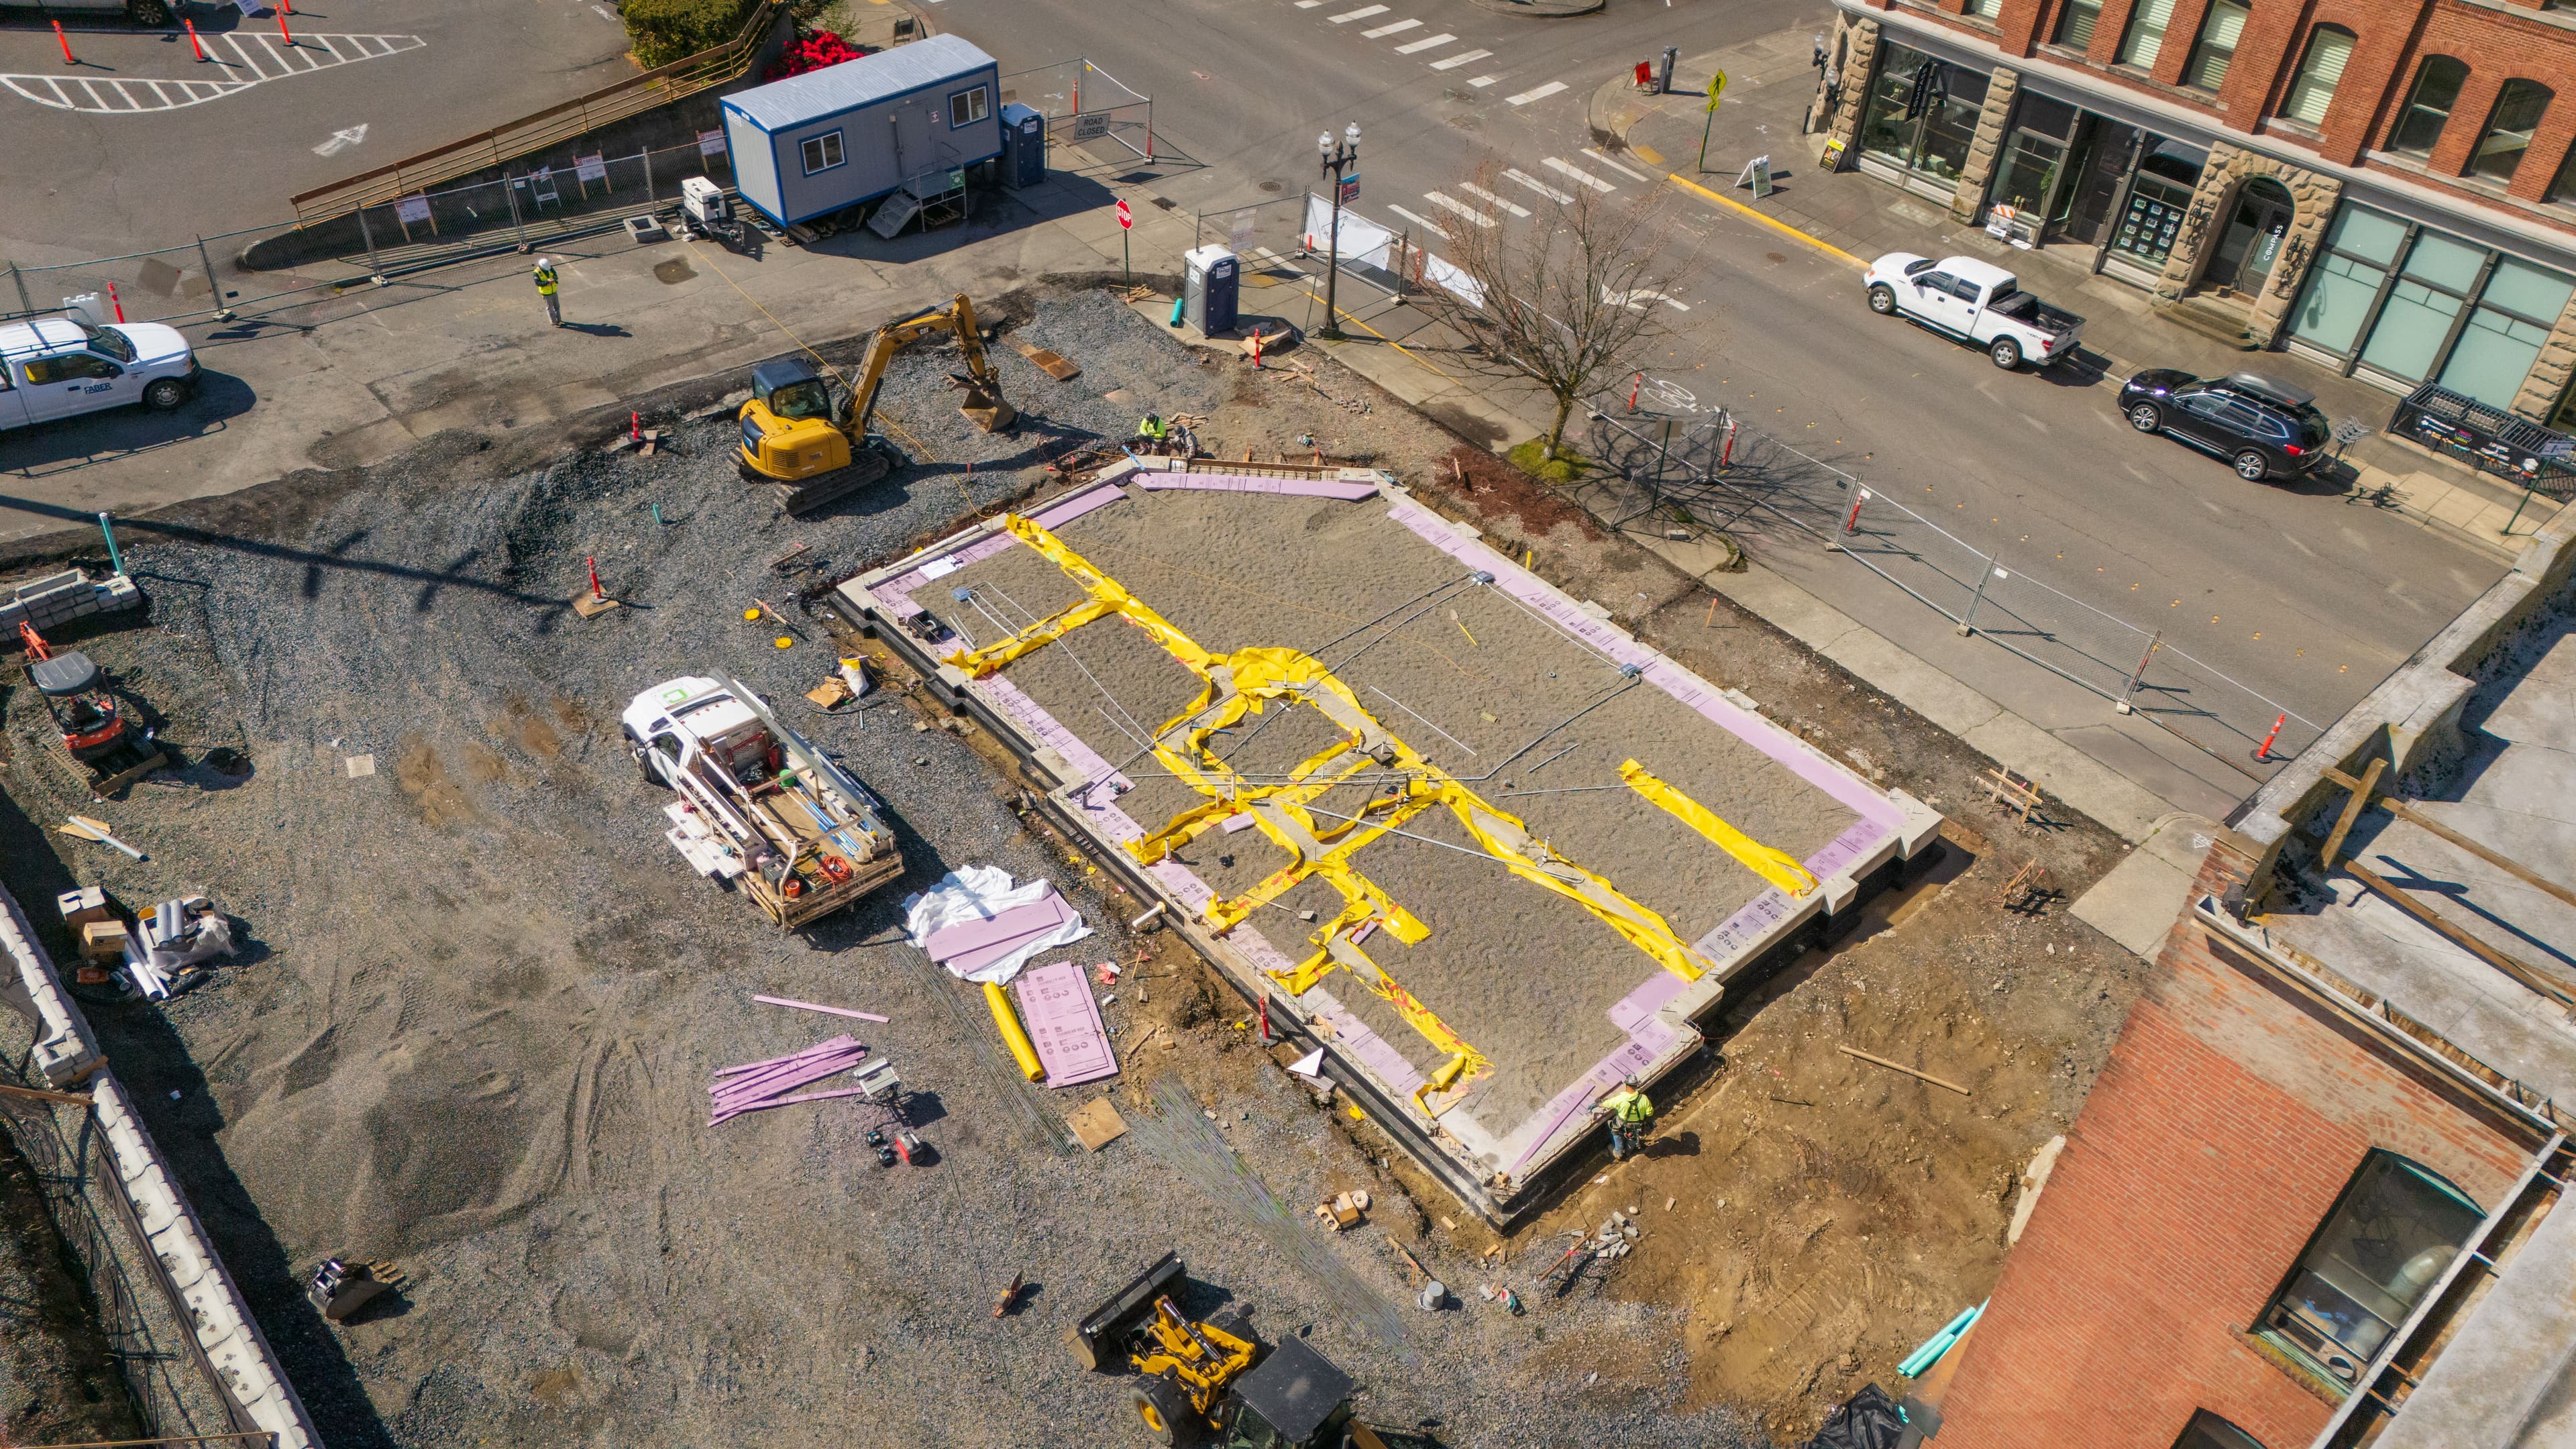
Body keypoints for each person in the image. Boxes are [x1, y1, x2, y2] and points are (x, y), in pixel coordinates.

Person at [1597, 1075, 1654, 1160]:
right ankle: (1628, 1152)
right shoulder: (1644, 1099)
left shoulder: (1621, 1099)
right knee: (1634, 1137)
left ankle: (1619, 1153)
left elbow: (1608, 1104)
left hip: (1623, 1124)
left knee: (1615, 1130)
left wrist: (1599, 1104)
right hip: (1637, 1126)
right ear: (1636, 1086)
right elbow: (1650, 1113)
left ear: (1627, 1086)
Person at [533, 257, 561, 327]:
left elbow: (555, 275)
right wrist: (547, 282)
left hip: (554, 291)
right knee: (550, 308)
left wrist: (554, 280)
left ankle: (559, 320)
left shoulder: (549, 267)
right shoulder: (536, 273)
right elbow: (538, 283)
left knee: (557, 306)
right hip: (546, 294)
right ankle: (554, 322)